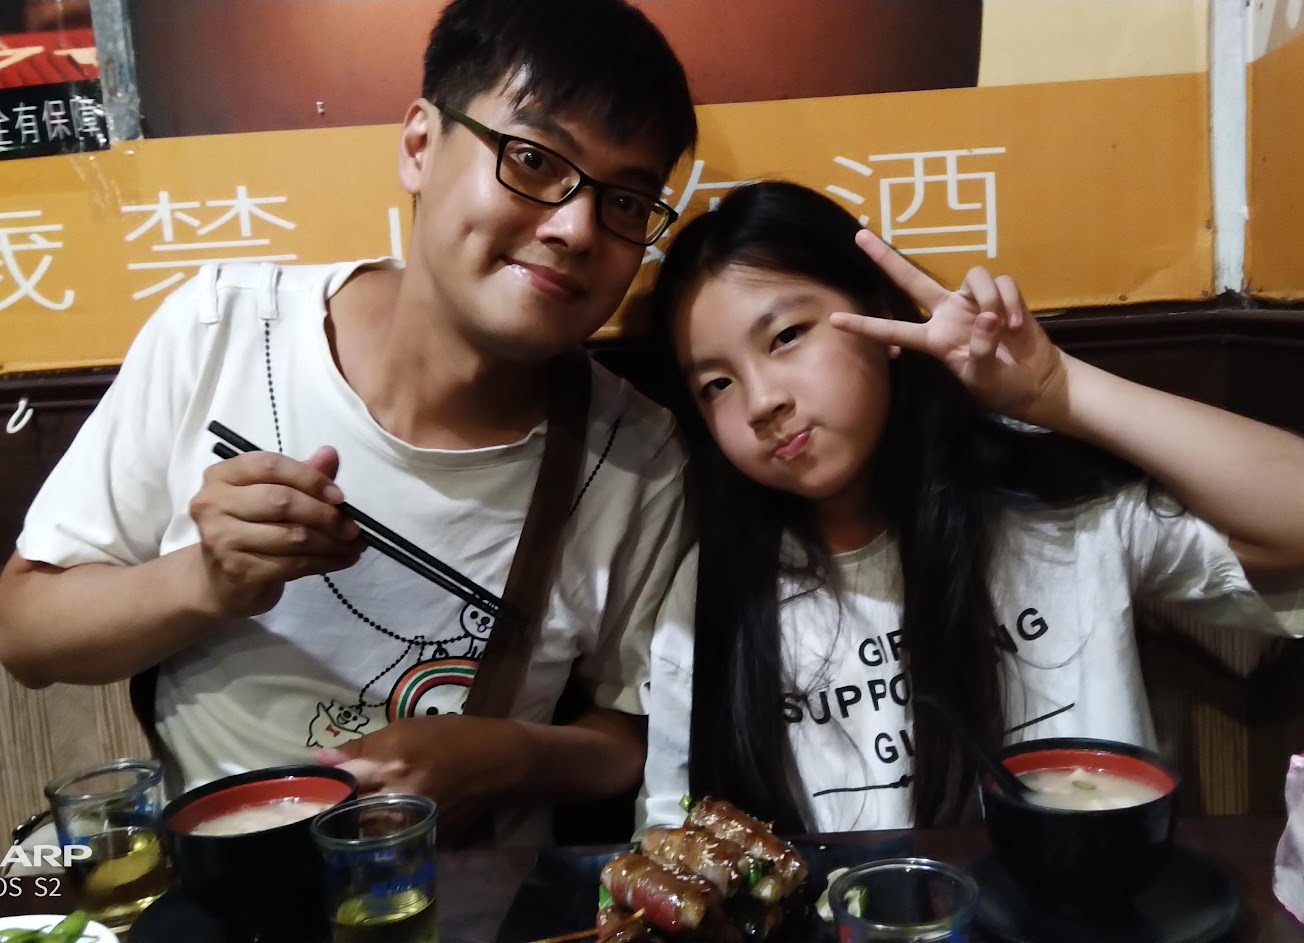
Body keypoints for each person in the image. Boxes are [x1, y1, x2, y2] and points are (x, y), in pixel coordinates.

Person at [0, 0, 697, 847]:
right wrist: (205, 581)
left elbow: (634, 734)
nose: (576, 227)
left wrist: (512, 755)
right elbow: (25, 632)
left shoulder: (639, 458)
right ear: (420, 146)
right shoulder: (224, 330)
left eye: (626, 201)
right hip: (207, 879)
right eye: (533, 160)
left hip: (466, 894)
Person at [638, 181, 1304, 836]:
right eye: (716, 384)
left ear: (883, 317)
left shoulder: (1053, 510)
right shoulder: (714, 592)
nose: (761, 402)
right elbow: (671, 835)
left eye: (786, 336)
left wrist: (1059, 391)